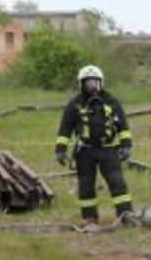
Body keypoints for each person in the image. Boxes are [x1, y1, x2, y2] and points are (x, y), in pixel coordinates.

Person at [54, 64, 133, 231]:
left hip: (108, 149)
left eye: (95, 82)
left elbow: (123, 126)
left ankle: (126, 215)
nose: (92, 86)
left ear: (101, 82)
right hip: (85, 152)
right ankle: (89, 217)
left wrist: (126, 145)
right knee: (86, 185)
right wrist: (60, 150)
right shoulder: (74, 104)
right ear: (81, 84)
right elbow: (65, 129)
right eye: (88, 83)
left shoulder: (111, 101)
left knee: (117, 182)